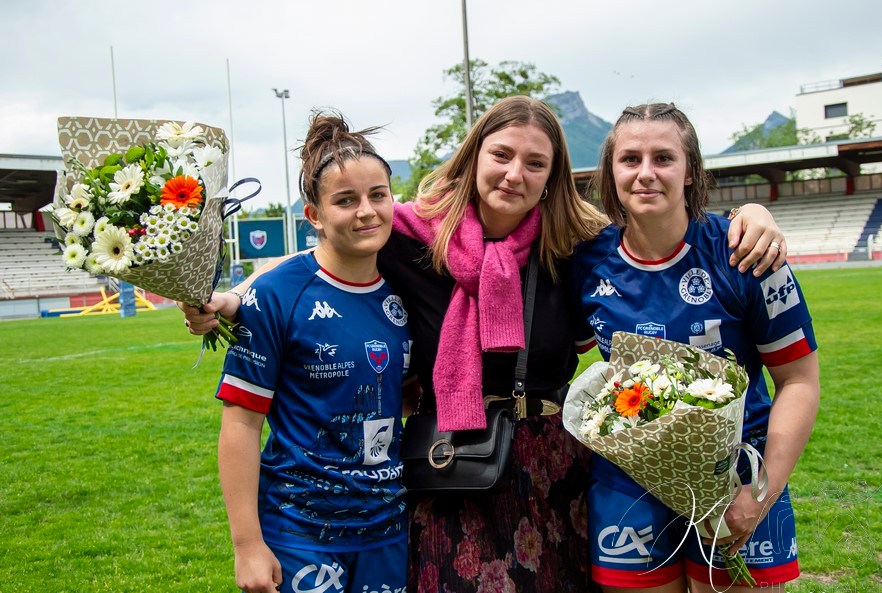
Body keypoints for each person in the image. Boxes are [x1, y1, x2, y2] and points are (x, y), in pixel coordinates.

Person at [183, 96, 788, 593]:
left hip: (555, 473)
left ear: (553, 177)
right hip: (452, 466)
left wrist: (755, 213)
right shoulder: (411, 235)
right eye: (501, 155)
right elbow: (317, 257)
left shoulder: (574, 245)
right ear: (475, 157)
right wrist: (233, 297)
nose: (513, 174)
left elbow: (656, 238)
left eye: (535, 163)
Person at [572, 103, 819, 592]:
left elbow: (799, 381)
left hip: (738, 478)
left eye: (663, 157)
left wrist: (760, 493)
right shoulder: (585, 261)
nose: (646, 173)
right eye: (630, 159)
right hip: (629, 482)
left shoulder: (745, 251)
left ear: (690, 172)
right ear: (610, 172)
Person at [213, 112, 411, 593]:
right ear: (315, 216)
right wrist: (247, 546)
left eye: (377, 195)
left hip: (390, 529)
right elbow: (240, 424)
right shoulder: (277, 295)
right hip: (300, 532)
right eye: (346, 201)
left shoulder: (410, 286)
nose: (366, 211)